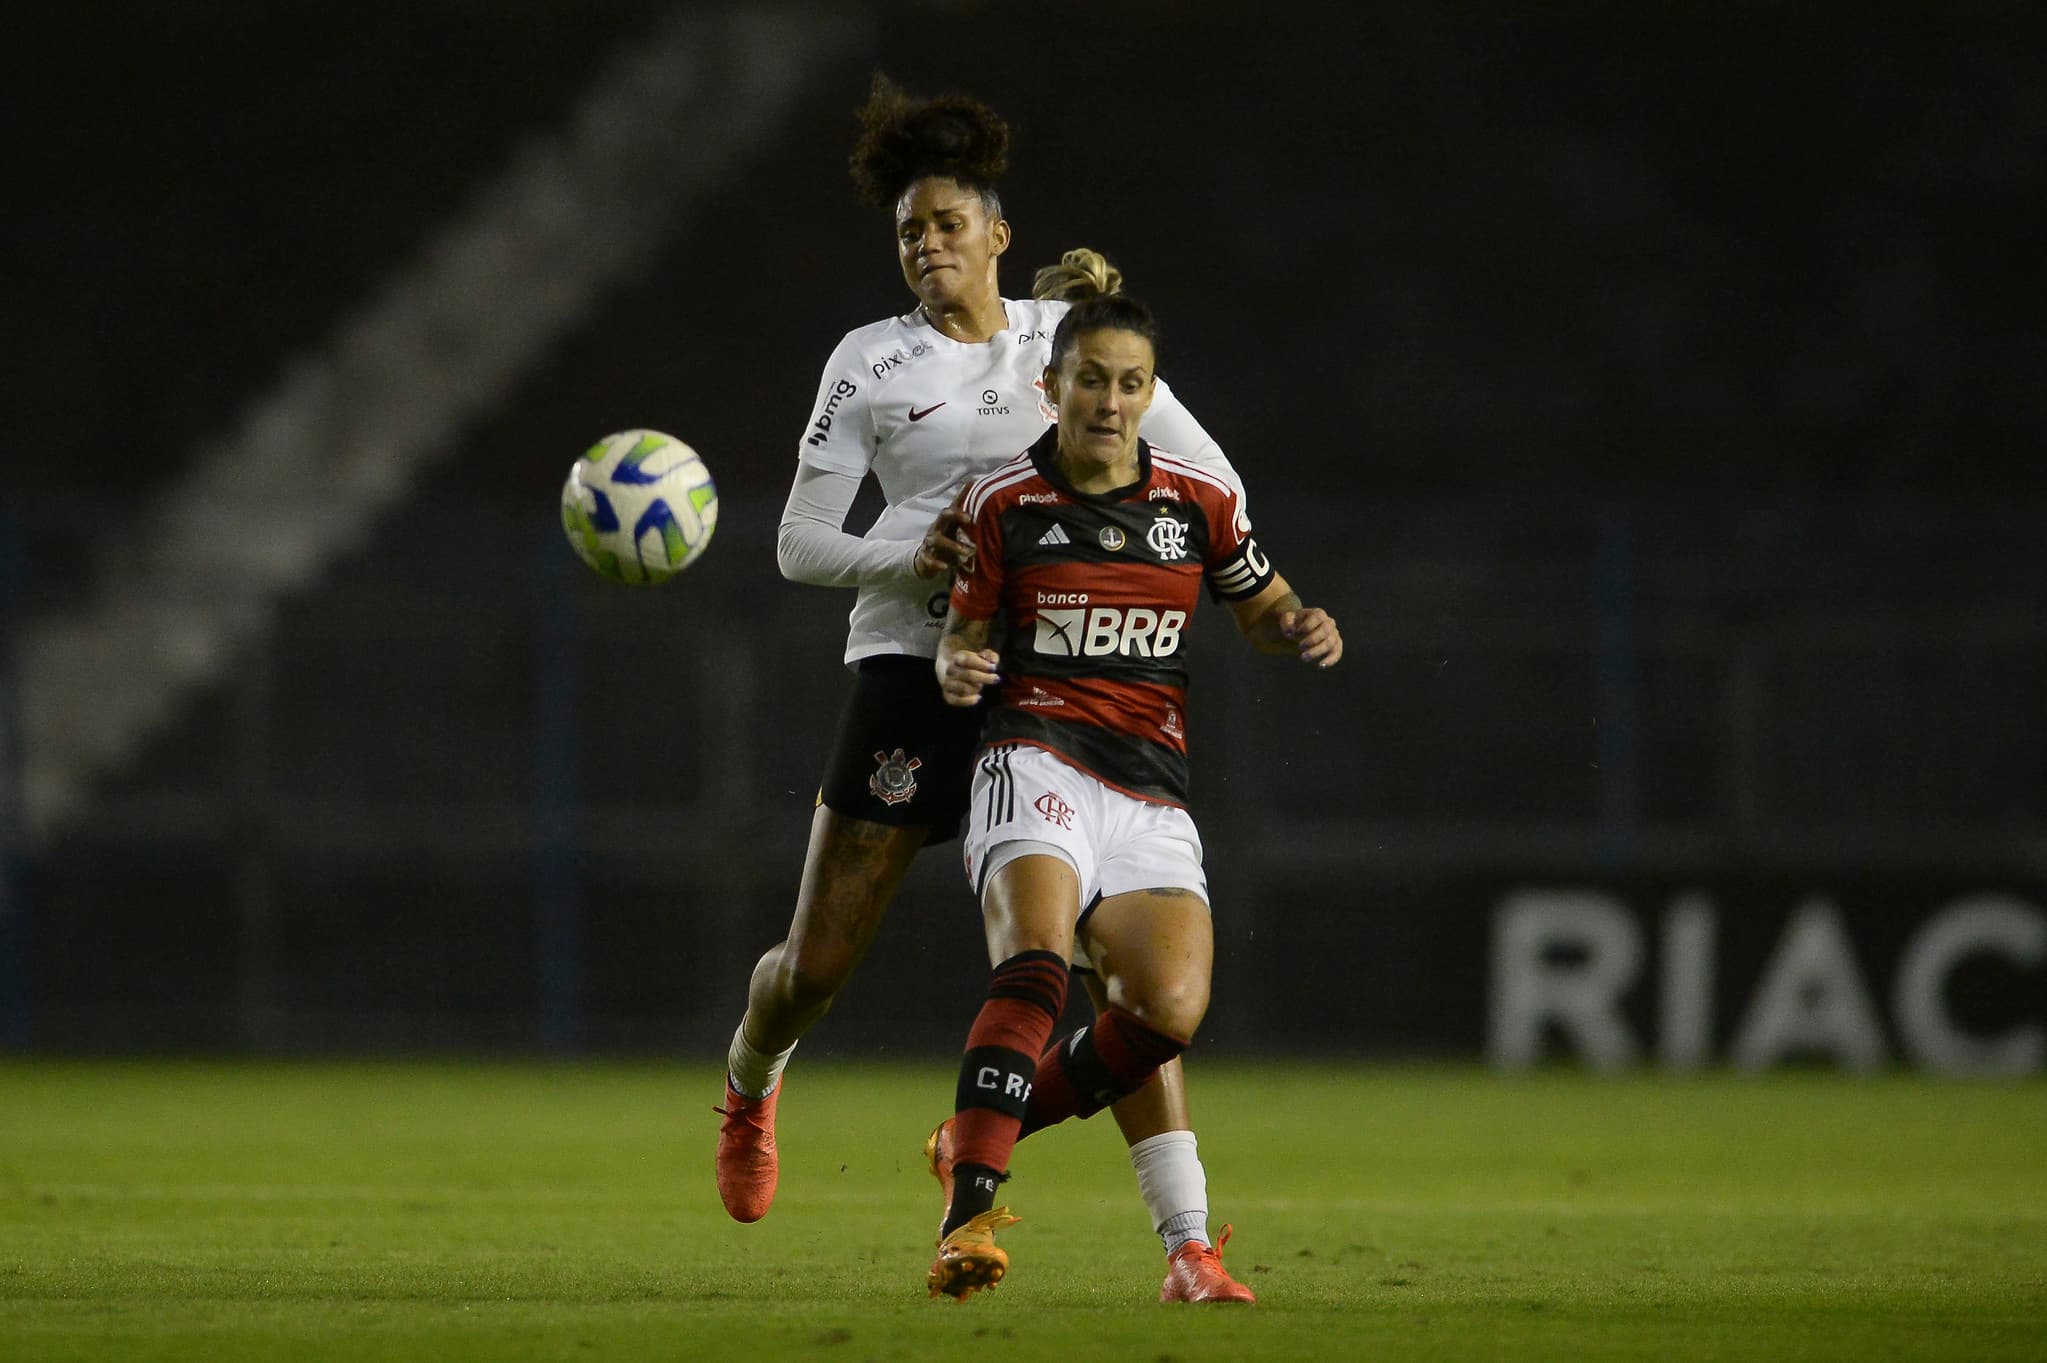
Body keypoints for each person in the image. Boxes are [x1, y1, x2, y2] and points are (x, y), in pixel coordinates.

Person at [712, 76, 1258, 1303]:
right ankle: (752, 1078)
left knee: (1124, 981)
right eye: (909, 230)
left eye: (949, 224)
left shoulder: (1063, 344)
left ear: (997, 235)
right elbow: (799, 542)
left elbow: (1210, 483)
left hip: (1061, 693)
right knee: (816, 960)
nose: (926, 247)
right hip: (912, 671)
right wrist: (908, 556)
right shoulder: (869, 364)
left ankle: (1187, 1242)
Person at [922, 292, 1341, 1301]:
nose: (1110, 400)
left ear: (1150, 394)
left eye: (1129, 382)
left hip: (1150, 788)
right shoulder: (1002, 503)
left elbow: (1263, 605)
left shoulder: (1197, 501)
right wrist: (956, 665)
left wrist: (1301, 626)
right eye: (1091, 379)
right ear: (1050, 386)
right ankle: (969, 1220)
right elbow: (967, 633)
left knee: (1161, 1012)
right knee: (1033, 966)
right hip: (1034, 758)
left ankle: (985, 1126)